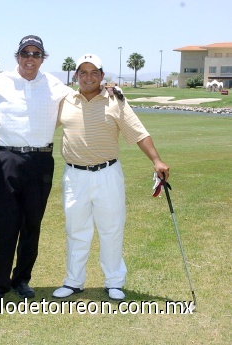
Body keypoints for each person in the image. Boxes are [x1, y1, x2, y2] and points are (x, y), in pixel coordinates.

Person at [52, 54, 169, 301]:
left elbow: (138, 132)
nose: (88, 77)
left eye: (94, 72)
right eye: (83, 72)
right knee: (76, 230)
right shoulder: (65, 100)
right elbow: (40, 124)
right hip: (74, 176)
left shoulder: (115, 100)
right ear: (76, 76)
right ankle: (73, 281)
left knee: (111, 229)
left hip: (107, 174)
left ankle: (114, 281)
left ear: (102, 76)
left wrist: (156, 160)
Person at [0, 35, 71, 303]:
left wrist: (109, 89)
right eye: (25, 53)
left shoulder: (56, 85)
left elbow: (79, 105)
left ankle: (22, 279)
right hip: (5, 158)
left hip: (41, 161)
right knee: (1, 224)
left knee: (31, 224)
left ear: (43, 57)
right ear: (17, 56)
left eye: (36, 54)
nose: (30, 58)